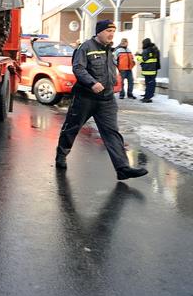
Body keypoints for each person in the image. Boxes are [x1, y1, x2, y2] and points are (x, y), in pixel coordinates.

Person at [55, 20, 148, 180]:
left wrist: (114, 82)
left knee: (112, 133)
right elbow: (78, 67)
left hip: (106, 100)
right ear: (99, 32)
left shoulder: (110, 49)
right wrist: (92, 83)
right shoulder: (86, 47)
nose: (111, 34)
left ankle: (122, 168)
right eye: (108, 31)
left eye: (113, 31)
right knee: (72, 128)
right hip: (85, 98)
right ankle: (61, 155)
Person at [136, 38, 160, 103]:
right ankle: (148, 95)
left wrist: (137, 56)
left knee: (149, 84)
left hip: (148, 70)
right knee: (151, 84)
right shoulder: (154, 49)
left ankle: (147, 97)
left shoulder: (146, 50)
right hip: (153, 69)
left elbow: (144, 59)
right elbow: (149, 57)